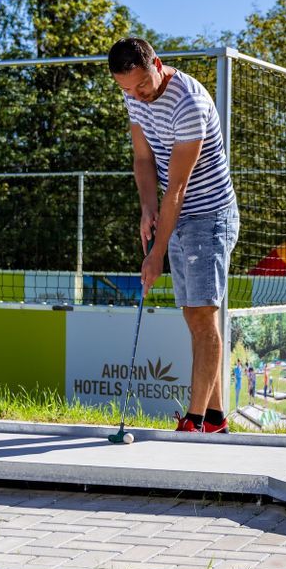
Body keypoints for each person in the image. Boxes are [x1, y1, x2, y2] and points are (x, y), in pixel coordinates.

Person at [110, 38, 238, 434]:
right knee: (193, 315)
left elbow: (179, 189)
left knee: (203, 315)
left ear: (158, 65)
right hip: (174, 211)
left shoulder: (189, 105)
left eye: (141, 86)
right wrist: (147, 208)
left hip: (208, 215)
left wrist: (156, 253)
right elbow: (143, 159)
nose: (137, 97)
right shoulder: (135, 95)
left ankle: (195, 421)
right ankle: (215, 419)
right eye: (127, 90)